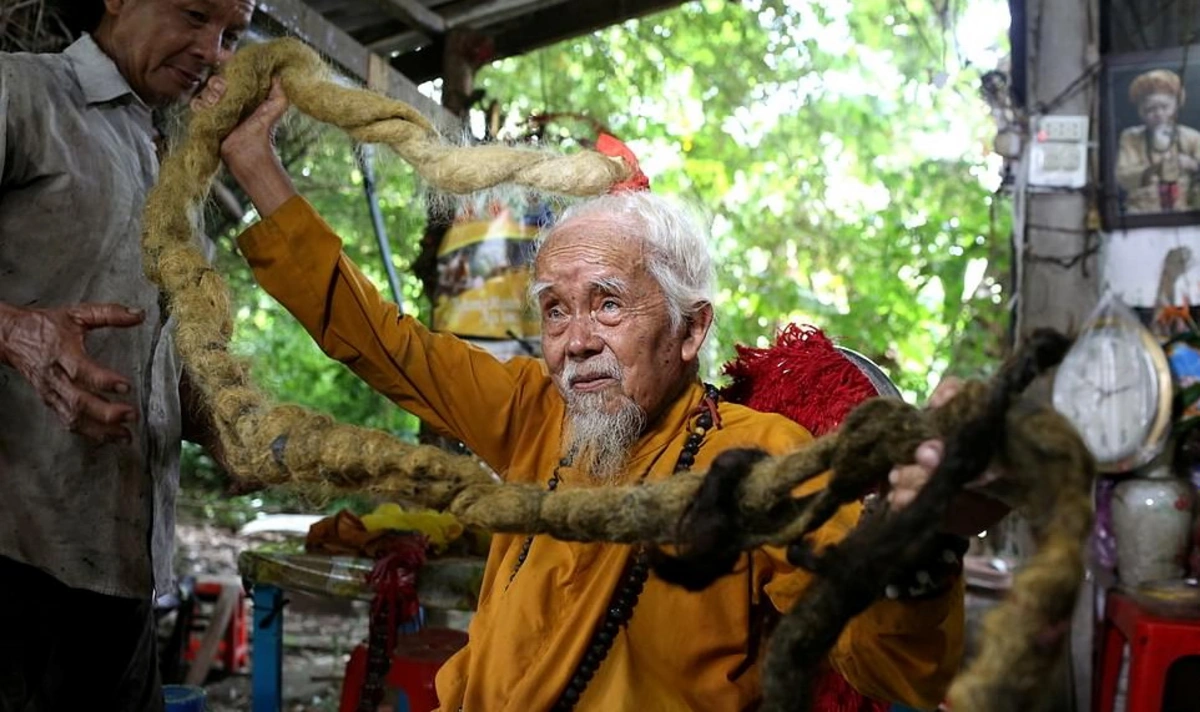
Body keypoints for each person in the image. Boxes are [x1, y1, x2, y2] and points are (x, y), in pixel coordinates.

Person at [199, 80, 1010, 710]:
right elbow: (383, 342)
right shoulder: (534, 414)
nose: (576, 339)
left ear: (692, 331)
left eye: (608, 303)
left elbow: (883, 660)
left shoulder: (758, 458)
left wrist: (925, 541)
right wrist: (253, 164)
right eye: (555, 310)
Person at [0, 1, 252, 709]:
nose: (212, 50)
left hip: (123, 573)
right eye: (195, 14)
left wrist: (224, 424)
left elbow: (158, 352)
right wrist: (17, 331)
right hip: (14, 558)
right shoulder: (21, 93)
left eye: (231, 33)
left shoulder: (167, 157)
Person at [1115, 68, 1200, 214]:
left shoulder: (1192, 136)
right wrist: (1155, 168)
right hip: (1142, 214)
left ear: (1176, 107)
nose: (1159, 114)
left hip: (1186, 214)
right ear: (1141, 112)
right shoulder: (1131, 137)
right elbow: (1122, 178)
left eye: (1165, 107)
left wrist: (1192, 164)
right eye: (1150, 109)